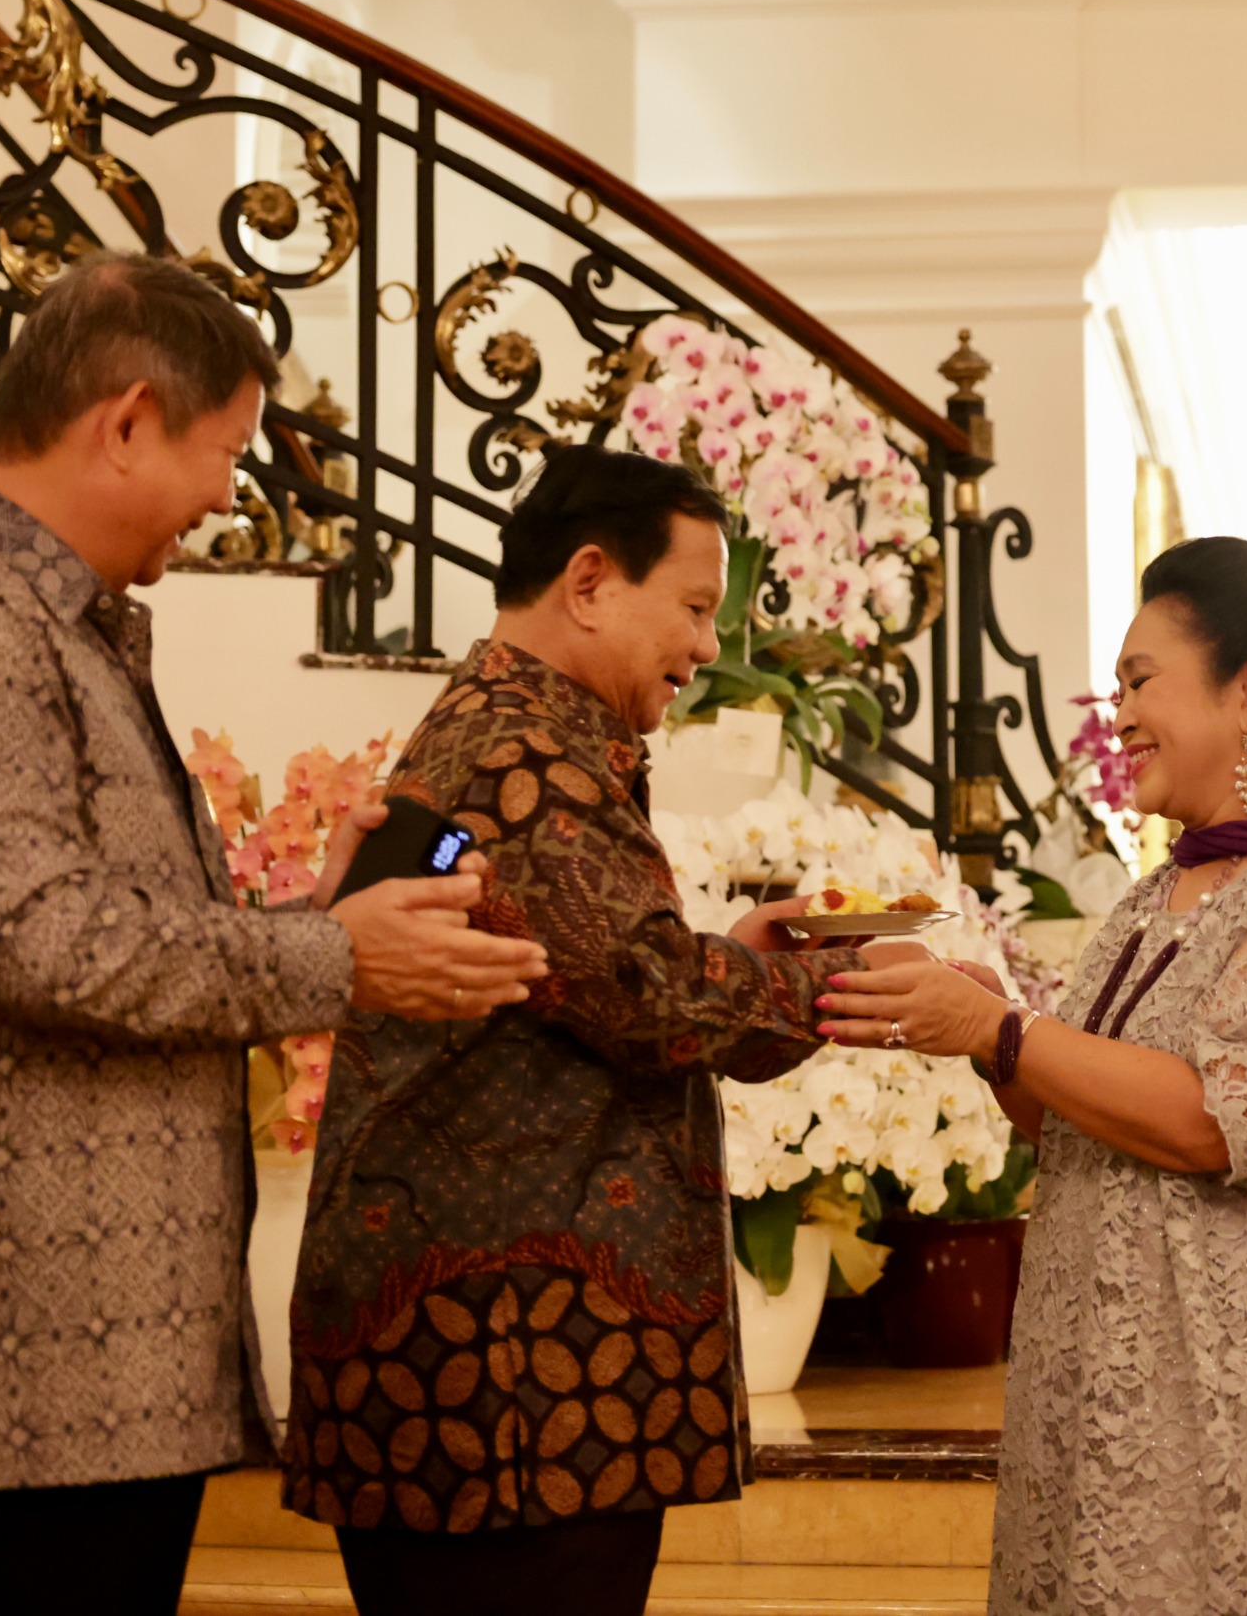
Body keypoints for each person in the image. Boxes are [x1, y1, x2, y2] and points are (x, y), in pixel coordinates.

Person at [0, 251, 550, 1616]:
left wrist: (328, 913)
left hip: (89, 1370)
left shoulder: (51, 618)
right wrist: (342, 954)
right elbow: (52, 943)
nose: (225, 498)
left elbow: (103, 928)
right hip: (3, 1377)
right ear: (124, 421)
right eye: (225, 453)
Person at [819, 537, 1247, 1614]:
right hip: (1094, 1398)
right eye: (1115, 690)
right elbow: (1066, 1114)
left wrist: (1002, 1028)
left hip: (1227, 1425)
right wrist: (968, 1018)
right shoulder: (1158, 896)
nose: (1119, 715)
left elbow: (1212, 1124)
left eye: (1141, 681)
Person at [282, 444, 925, 1616]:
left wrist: (733, 963)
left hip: (495, 1372)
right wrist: (838, 985)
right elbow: (648, 998)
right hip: (510, 1380)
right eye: (689, 609)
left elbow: (601, 970)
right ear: (588, 582)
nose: (702, 650)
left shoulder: (513, 726)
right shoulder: (525, 750)